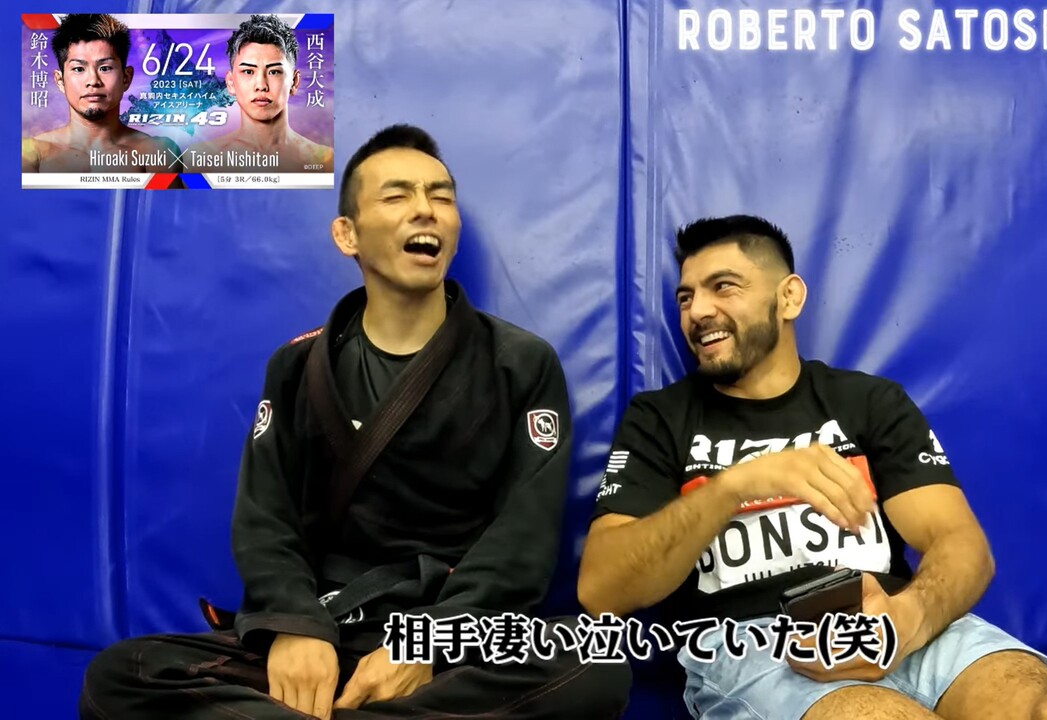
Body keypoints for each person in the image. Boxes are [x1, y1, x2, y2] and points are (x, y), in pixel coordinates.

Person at [80, 125, 631, 720]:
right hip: (326, 629)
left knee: (595, 667)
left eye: (441, 196)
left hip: (449, 644)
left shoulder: (518, 363)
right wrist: (296, 626)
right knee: (123, 676)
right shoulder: (298, 367)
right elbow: (265, 520)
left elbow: (523, 538)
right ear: (347, 234)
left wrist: (432, 640)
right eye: (397, 196)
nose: (426, 209)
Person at [577, 215, 1047, 719]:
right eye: (686, 297)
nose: (697, 311)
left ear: (789, 297)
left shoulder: (868, 402)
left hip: (896, 619)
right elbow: (602, 589)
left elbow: (962, 543)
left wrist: (912, 615)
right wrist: (733, 486)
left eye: (724, 287)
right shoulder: (660, 419)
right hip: (759, 646)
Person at [21, 13, 180, 173]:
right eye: (78, 69)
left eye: (105, 68)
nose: (93, 80)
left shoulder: (155, 150)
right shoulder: (33, 154)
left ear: (126, 78)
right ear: (60, 81)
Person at [183, 14, 334, 173]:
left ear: (294, 82)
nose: (261, 85)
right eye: (248, 71)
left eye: (274, 72)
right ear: (230, 82)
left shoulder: (323, 161)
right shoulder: (200, 158)